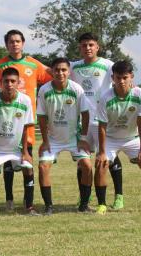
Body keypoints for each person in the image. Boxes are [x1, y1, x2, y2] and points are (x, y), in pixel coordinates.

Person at [0, 29, 52, 213]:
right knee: (7, 168)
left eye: (17, 41)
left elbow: (56, 77)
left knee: (26, 162)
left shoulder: (34, 64)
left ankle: (27, 203)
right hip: (3, 126)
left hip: (24, 125)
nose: (14, 44)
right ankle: (9, 199)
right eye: (10, 42)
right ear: (6, 45)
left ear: (23, 43)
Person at [94, 60, 141, 215]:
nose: (121, 81)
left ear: (131, 77)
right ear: (112, 78)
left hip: (133, 138)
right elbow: (101, 126)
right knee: (101, 164)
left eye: (125, 77)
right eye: (118, 78)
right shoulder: (105, 97)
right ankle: (101, 205)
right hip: (110, 138)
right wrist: (102, 152)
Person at [70, 32, 124, 209]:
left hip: (103, 121)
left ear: (97, 47)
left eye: (91, 45)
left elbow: (125, 77)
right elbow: (50, 70)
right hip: (82, 122)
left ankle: (118, 197)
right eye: (84, 45)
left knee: (109, 158)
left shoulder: (108, 65)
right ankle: (83, 197)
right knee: (82, 161)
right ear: (80, 48)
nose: (87, 48)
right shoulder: (73, 67)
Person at [37, 58, 92, 215]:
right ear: (52, 71)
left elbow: (85, 114)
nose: (60, 73)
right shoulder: (44, 90)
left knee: (87, 166)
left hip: (74, 138)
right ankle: (48, 206)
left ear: (69, 72)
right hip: (53, 139)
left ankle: (84, 204)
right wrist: (45, 141)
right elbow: (41, 117)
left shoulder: (77, 89)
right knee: (43, 166)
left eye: (63, 70)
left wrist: (83, 138)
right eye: (57, 70)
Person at [0, 67, 35, 218]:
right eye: (6, 81)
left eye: (13, 81)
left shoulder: (25, 100)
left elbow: (26, 127)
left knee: (28, 168)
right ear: (0, 82)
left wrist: (25, 152)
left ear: (19, 83)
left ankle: (30, 206)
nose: (9, 84)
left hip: (16, 148)